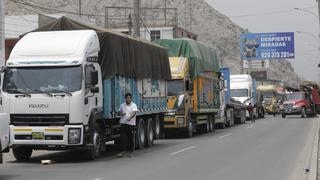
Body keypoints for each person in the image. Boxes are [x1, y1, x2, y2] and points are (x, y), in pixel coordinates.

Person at [117, 93, 138, 158]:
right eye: (127, 97)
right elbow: (118, 112)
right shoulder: (122, 105)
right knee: (123, 138)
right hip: (123, 123)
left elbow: (134, 113)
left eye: (129, 97)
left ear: (131, 98)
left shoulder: (134, 105)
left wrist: (130, 118)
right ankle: (123, 151)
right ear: (125, 98)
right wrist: (121, 113)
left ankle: (131, 152)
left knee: (130, 139)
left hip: (131, 124)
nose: (128, 99)